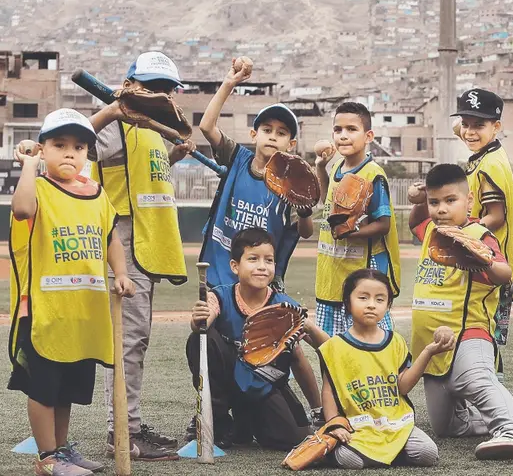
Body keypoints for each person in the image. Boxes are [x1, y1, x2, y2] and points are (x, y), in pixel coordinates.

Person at [8, 109, 135, 476]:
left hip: (84, 310)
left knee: (67, 390)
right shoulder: (38, 187)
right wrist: (29, 167)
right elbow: (21, 209)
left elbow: (109, 234)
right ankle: (47, 458)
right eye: (58, 145)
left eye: (78, 147)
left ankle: (61, 450)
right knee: (44, 387)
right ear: (42, 148)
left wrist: (122, 271)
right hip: (45, 310)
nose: (69, 153)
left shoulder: (95, 193)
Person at [407, 164, 513, 461]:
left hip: (468, 332)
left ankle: (511, 428)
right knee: (447, 426)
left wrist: (482, 259)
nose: (441, 209)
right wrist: (418, 198)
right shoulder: (430, 230)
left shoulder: (478, 233)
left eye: (450, 200)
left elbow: (505, 273)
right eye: (434, 202)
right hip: (431, 342)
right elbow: (417, 218)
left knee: (474, 379)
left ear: (469, 201)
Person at [88, 51, 193, 459]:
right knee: (128, 341)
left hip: (148, 242)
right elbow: (74, 142)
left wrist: (172, 157)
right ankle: (124, 433)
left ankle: (127, 425)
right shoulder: (117, 121)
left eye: (166, 88)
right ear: (131, 84)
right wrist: (113, 111)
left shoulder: (154, 128)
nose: (160, 94)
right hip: (123, 240)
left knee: (136, 339)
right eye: (151, 86)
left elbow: (134, 173)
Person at [187, 227, 319, 450]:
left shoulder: (285, 306)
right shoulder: (219, 295)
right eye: (253, 259)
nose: (261, 266)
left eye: (269, 260)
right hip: (228, 381)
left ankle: (244, 421)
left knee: (293, 440)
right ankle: (217, 419)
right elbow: (202, 324)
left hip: (264, 385)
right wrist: (199, 319)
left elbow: (302, 357)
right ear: (235, 266)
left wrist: (318, 409)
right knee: (201, 338)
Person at [307, 269, 445, 469]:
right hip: (357, 425)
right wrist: (334, 422)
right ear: (348, 302)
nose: (371, 304)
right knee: (350, 461)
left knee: (427, 454)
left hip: (395, 422)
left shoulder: (395, 341)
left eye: (380, 300)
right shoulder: (336, 345)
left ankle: (384, 454)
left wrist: (428, 352)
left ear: (388, 305)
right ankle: (374, 453)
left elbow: (403, 387)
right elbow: (328, 390)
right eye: (363, 297)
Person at [197, 57, 314, 290]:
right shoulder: (236, 157)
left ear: (290, 144)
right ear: (254, 135)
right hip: (221, 271)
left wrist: (304, 213)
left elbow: (306, 232)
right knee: (208, 325)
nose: (272, 136)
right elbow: (206, 127)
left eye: (281, 133)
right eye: (267, 130)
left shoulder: (292, 183)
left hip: (261, 280)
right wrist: (229, 83)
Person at [314, 102, 401, 336]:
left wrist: (351, 233)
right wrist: (321, 168)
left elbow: (383, 224)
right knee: (330, 347)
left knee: (371, 339)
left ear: (368, 136)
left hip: (361, 272)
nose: (343, 136)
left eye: (351, 129)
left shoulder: (373, 173)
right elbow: (326, 201)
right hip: (332, 274)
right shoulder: (337, 168)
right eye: (338, 129)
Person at [453, 88, 513, 352]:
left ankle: (490, 388)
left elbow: (495, 217)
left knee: (484, 336)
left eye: (479, 125)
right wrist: (466, 127)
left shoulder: (490, 164)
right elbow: (465, 129)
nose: (470, 132)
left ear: (496, 127)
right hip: (488, 260)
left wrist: (461, 234)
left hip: (492, 262)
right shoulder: (488, 152)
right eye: (465, 124)